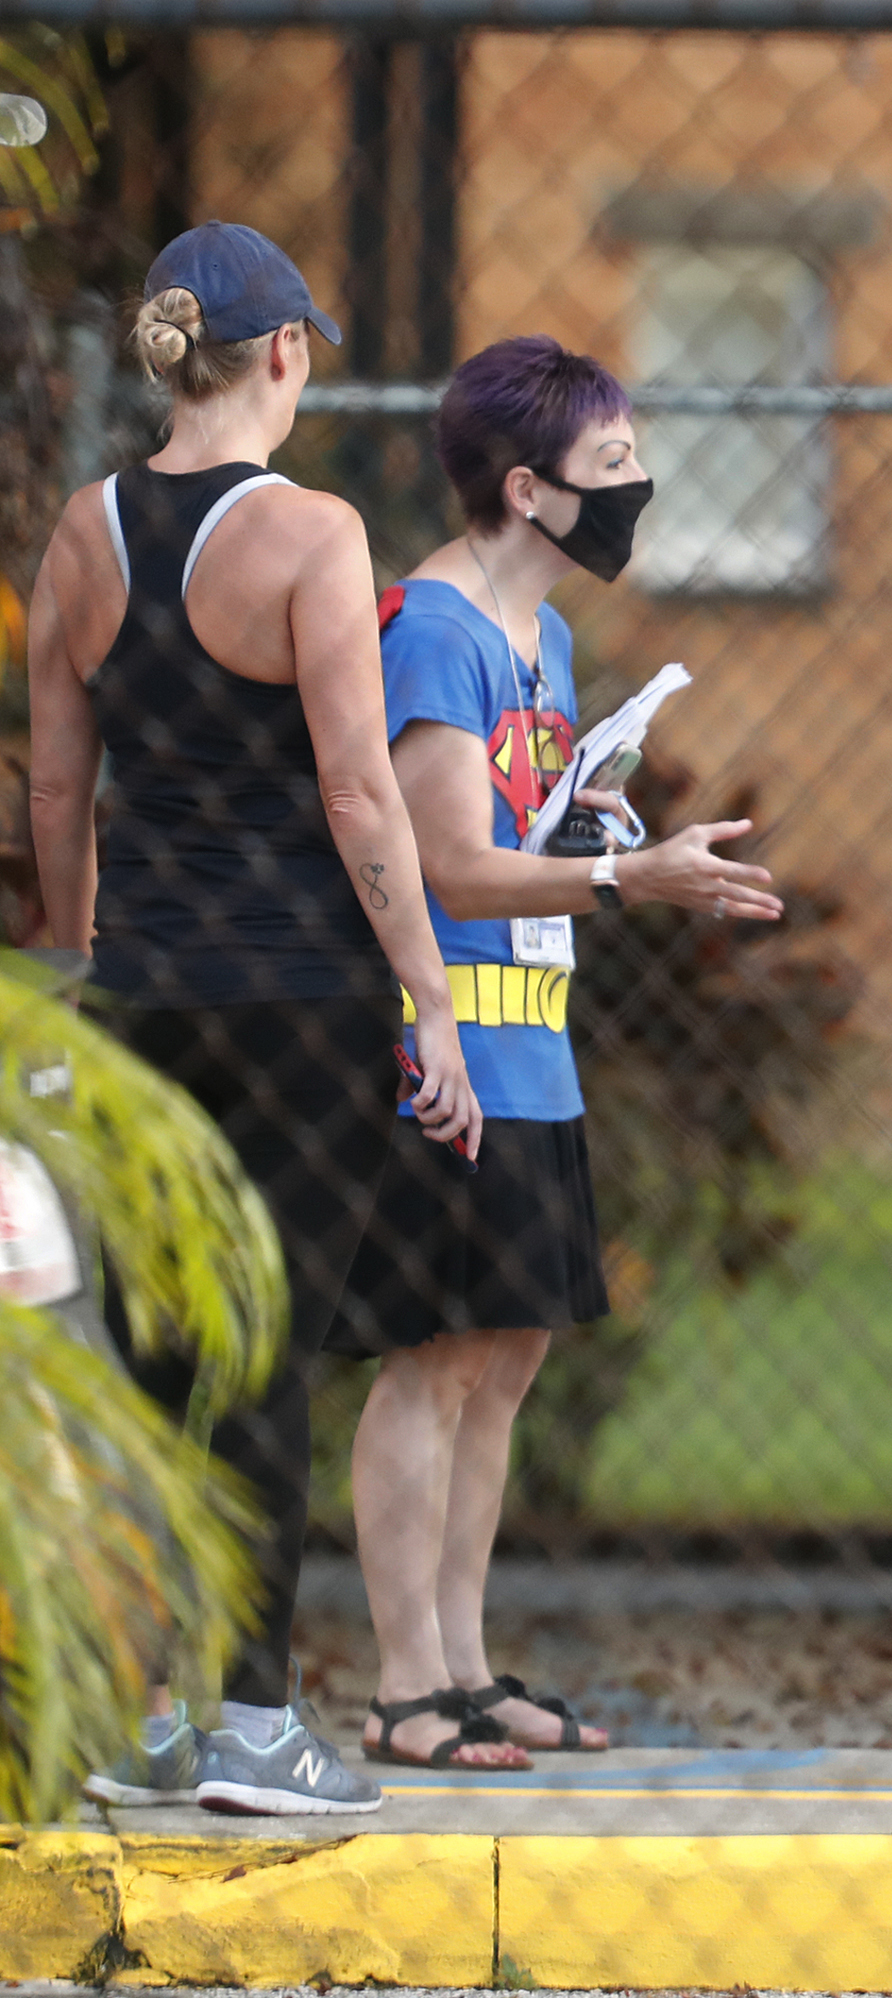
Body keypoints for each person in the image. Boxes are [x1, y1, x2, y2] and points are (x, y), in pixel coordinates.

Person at [28, 222, 481, 1816]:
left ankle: (148, 1712)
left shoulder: (81, 534)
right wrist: (428, 994)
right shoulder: (313, 534)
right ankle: (255, 1723)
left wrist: (88, 963)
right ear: (282, 352)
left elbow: (57, 784)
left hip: (147, 996)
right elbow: (362, 787)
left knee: (156, 1352)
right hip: (299, 995)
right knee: (266, 1348)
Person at [332, 335, 784, 1772]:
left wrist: (591, 826)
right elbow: (451, 864)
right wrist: (626, 877)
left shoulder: (548, 638)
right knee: (433, 1358)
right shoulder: (438, 628)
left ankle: (461, 1662)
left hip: (535, 1034)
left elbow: (516, 830)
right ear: (525, 488)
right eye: (610, 465)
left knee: (507, 1354)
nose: (637, 485)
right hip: (446, 1036)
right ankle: (406, 1679)